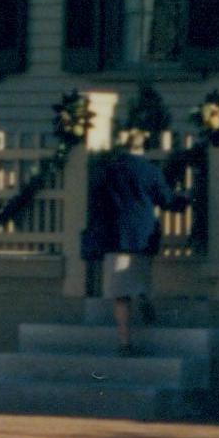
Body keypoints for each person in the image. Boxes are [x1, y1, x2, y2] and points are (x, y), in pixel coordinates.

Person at [79, 128, 189, 349]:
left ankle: (124, 340)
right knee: (141, 276)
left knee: (120, 294)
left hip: (115, 235)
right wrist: (185, 200)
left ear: (124, 146)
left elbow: (96, 200)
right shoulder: (150, 170)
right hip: (143, 234)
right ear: (142, 147)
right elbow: (166, 199)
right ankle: (144, 296)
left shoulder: (110, 170)